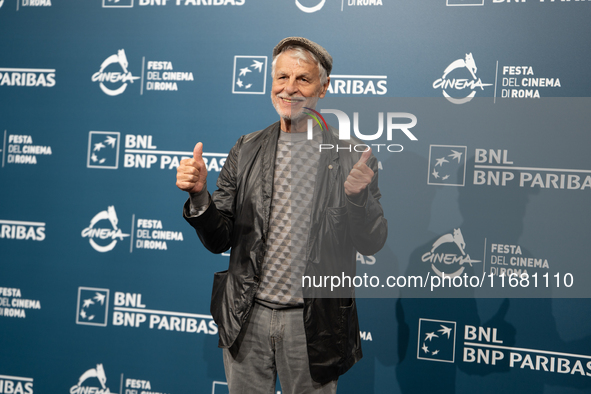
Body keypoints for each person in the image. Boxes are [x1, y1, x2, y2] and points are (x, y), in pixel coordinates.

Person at [176, 37, 387, 394]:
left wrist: (358, 198)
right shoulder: (246, 148)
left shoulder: (353, 158)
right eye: (282, 78)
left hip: (312, 327)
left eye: (302, 79)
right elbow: (219, 239)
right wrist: (200, 197)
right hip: (247, 318)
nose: (290, 89)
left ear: (324, 87)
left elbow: (373, 241)